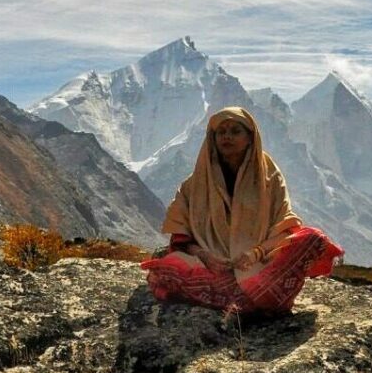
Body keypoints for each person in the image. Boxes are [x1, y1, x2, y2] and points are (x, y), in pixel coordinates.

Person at [141, 106, 343, 314]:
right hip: (214, 266)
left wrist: (255, 253)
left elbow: (285, 226)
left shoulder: (269, 176)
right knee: (167, 268)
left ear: (250, 137)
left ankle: (241, 297)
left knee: (313, 238)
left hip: (259, 262)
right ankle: (258, 298)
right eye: (221, 132)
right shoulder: (194, 185)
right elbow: (181, 238)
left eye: (235, 131)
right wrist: (207, 256)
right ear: (213, 138)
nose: (227, 137)